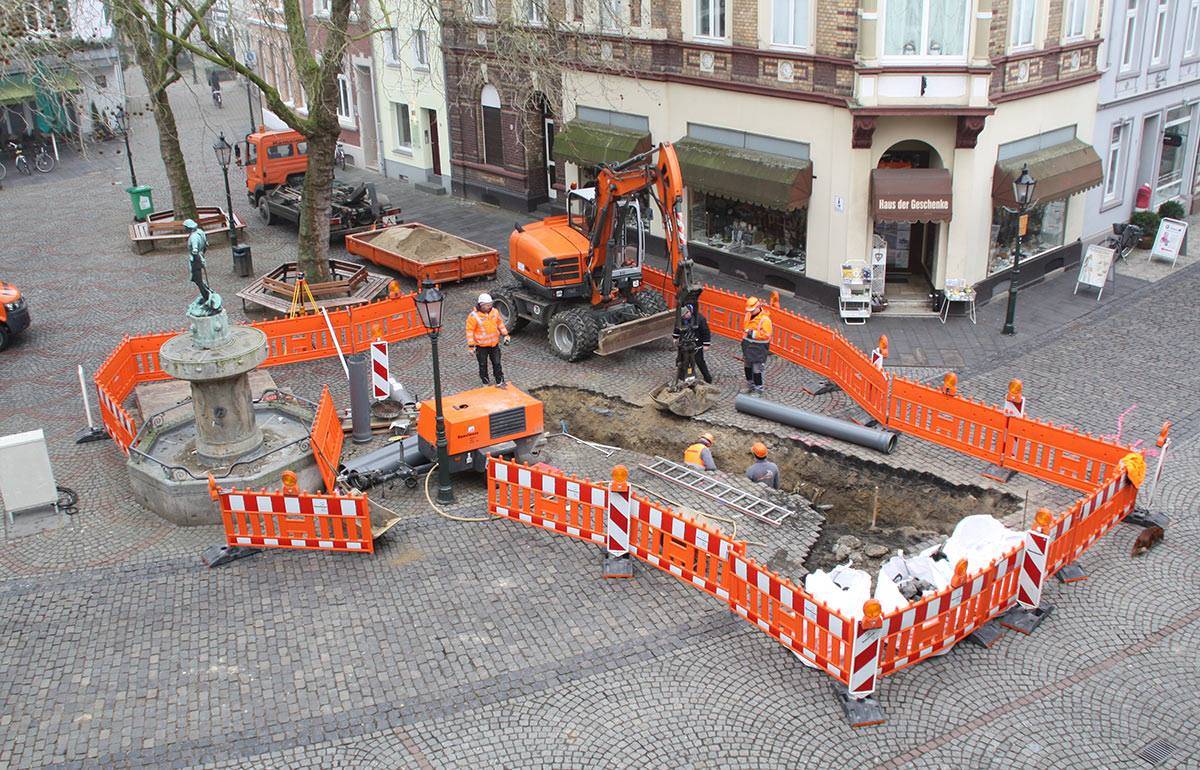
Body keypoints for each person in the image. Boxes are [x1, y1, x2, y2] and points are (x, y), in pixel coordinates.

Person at [466, 292, 510, 386]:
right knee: (483, 365)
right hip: (481, 346)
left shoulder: (494, 312)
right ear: (481, 305)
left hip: (494, 344)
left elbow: (500, 324)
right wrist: (471, 346)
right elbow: (470, 331)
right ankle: (485, 382)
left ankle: (499, 381)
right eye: (487, 305)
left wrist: (505, 334)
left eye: (490, 305)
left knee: (497, 363)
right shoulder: (474, 316)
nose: (490, 307)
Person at [672, 303, 713, 384]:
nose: (684, 317)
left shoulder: (700, 319)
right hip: (684, 343)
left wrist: (706, 344)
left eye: (685, 315)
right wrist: (675, 337)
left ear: (689, 312)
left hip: (697, 344)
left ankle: (707, 378)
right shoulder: (680, 319)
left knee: (699, 361)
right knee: (680, 359)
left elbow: (706, 332)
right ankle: (681, 376)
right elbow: (677, 328)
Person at [742, 296, 773, 394]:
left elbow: (766, 335)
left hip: (759, 348)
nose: (750, 312)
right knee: (747, 366)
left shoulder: (765, 320)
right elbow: (745, 328)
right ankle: (750, 384)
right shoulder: (748, 314)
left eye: (752, 310)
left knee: (757, 369)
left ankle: (758, 388)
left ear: (758, 307)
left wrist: (752, 333)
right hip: (748, 346)